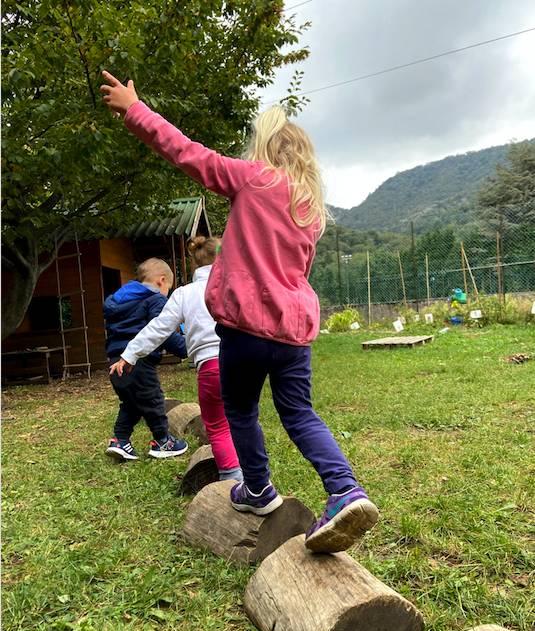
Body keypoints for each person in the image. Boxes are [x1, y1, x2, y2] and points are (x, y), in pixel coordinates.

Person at [100, 71, 379, 553]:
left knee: (241, 410)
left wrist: (134, 109)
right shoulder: (309, 209)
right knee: (299, 412)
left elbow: (187, 152)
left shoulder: (252, 180)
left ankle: (257, 489)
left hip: (246, 329)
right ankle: (345, 490)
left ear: (264, 149)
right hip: (293, 334)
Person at [109, 237, 243, 483]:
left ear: (194, 264)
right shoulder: (238, 285)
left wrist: (129, 354)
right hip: (243, 365)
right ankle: (256, 475)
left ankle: (231, 477)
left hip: (210, 369)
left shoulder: (184, 293)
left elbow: (158, 328)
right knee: (245, 419)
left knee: (217, 425)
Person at [104, 257, 189, 461]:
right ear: (161, 281)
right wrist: (187, 347)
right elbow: (163, 331)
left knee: (131, 403)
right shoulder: (155, 299)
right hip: (139, 361)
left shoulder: (118, 300)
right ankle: (163, 441)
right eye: (168, 288)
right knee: (153, 400)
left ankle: (120, 440)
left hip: (115, 360)